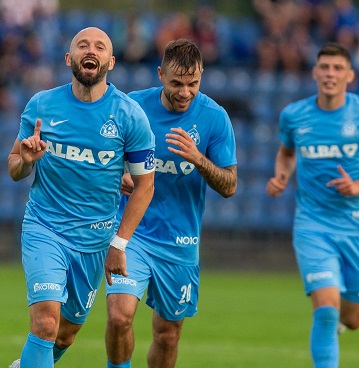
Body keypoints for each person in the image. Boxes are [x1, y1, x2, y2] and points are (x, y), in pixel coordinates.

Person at [7, 27, 155, 368]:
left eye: (100, 46)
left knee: (65, 333)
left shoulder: (129, 115)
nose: (92, 50)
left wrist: (119, 244)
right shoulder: (42, 105)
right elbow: (14, 166)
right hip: (46, 228)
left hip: (95, 240)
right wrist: (26, 162)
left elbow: (145, 185)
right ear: (69, 58)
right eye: (83, 45)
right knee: (45, 323)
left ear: (111, 61)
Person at [266, 42, 359, 368]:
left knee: (353, 318)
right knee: (327, 309)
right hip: (312, 223)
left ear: (350, 75)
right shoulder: (294, 115)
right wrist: (282, 176)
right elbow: (286, 153)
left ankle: (341, 323)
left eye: (337, 68)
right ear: (315, 72)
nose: (330, 73)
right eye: (325, 67)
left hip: (357, 223)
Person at [104, 38, 237, 368]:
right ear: (161, 74)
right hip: (132, 235)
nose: (185, 92)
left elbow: (230, 186)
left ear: (202, 76)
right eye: (177, 83)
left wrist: (198, 159)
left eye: (193, 84)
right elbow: (100, 155)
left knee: (167, 334)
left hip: (180, 242)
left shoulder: (214, 118)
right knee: (120, 317)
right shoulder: (133, 108)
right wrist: (113, 176)